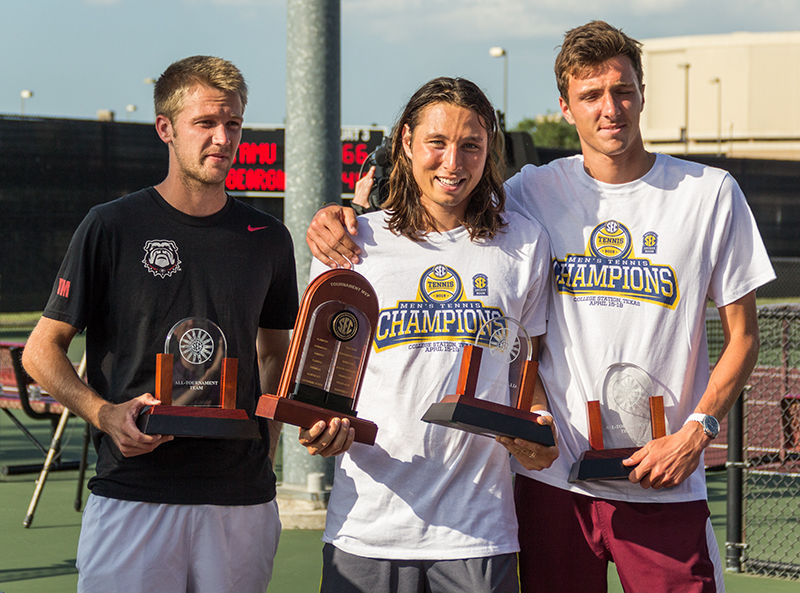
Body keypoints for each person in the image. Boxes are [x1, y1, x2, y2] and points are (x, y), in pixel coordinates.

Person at [305, 21, 775, 593]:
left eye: (622, 91)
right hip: (553, 483)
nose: (610, 109)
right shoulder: (532, 193)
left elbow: (744, 337)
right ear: (564, 106)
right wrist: (338, 214)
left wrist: (696, 432)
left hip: (662, 475)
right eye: (590, 95)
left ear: (643, 93)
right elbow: (437, 210)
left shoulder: (709, 194)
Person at [21, 55, 311, 593]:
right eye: (206, 123)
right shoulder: (111, 225)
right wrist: (105, 415)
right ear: (165, 129)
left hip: (240, 500)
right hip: (134, 493)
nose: (223, 139)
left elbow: (276, 353)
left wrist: (264, 448)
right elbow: (42, 351)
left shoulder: (268, 238)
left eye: (233, 124)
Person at [307, 77, 556, 593]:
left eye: (471, 146)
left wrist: (538, 437)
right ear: (405, 142)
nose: (453, 162)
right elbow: (320, 387)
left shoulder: (526, 243)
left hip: (478, 532)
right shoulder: (351, 244)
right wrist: (319, 429)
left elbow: (526, 373)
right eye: (437, 143)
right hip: (368, 526)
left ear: (490, 152)